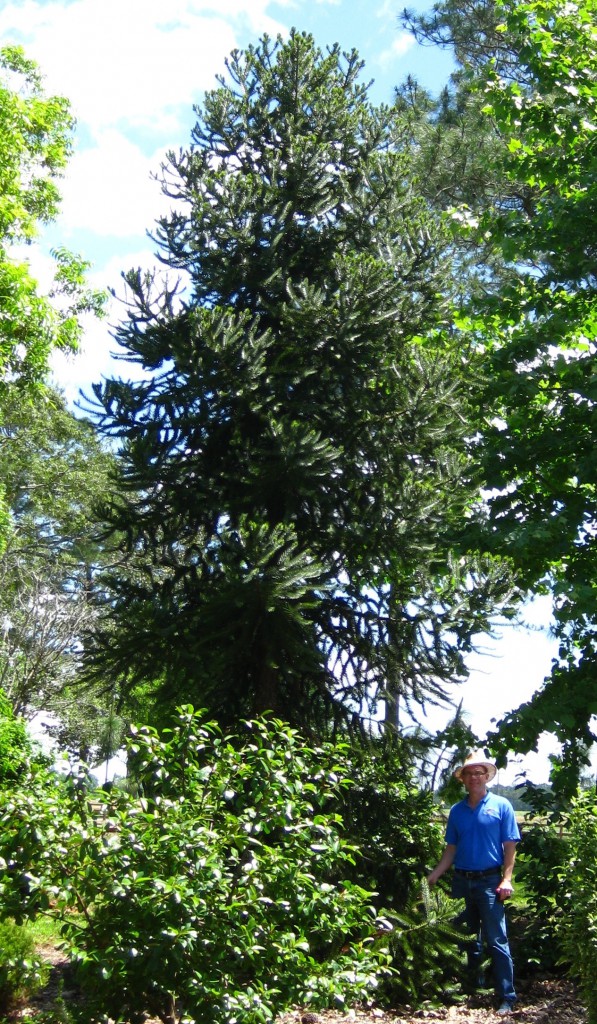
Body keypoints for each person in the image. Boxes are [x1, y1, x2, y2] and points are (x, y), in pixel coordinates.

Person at [427, 750, 521, 1015]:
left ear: (486, 776)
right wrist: (435, 874)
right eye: (470, 773)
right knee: (467, 940)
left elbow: (510, 846)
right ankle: (474, 990)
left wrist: (507, 879)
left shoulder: (501, 806)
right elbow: (451, 849)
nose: (475, 777)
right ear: (463, 779)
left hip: (491, 882)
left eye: (479, 772)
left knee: (497, 940)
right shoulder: (457, 811)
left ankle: (507, 997)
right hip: (461, 882)